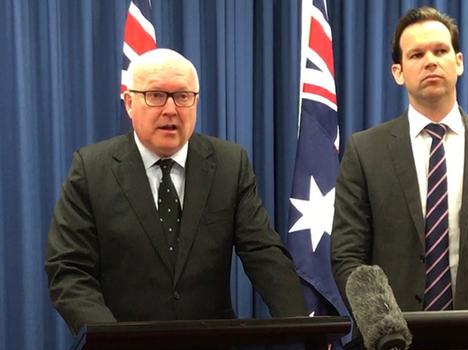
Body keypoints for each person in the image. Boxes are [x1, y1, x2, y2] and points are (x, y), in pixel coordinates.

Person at [45, 48, 308, 333]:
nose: (170, 109)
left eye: (183, 96)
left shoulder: (229, 165)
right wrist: (111, 340)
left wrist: (303, 326)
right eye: (156, 95)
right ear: (129, 102)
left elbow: (263, 254)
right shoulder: (91, 169)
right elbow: (69, 270)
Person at [331, 7, 468, 313]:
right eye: (416, 55)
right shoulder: (364, 150)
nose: (430, 61)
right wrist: (383, 327)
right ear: (398, 72)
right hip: (389, 346)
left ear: (459, 62)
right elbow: (348, 255)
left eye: (441, 50)